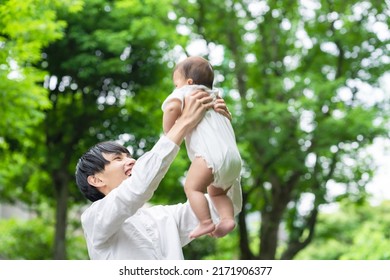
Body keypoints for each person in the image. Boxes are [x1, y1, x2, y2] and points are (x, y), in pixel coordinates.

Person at [75, 90, 237, 260]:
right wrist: (184, 122)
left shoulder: (164, 217)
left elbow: (224, 206)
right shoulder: (94, 219)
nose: (132, 161)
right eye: (117, 159)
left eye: (129, 157)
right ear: (96, 179)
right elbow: (136, 189)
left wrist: (220, 132)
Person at [162, 56, 242, 239]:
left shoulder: (187, 92)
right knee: (217, 191)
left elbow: (171, 108)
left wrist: (169, 131)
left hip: (209, 156)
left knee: (192, 188)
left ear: (188, 82)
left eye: (176, 84)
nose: (176, 88)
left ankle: (205, 222)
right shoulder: (216, 97)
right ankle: (227, 219)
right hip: (234, 160)